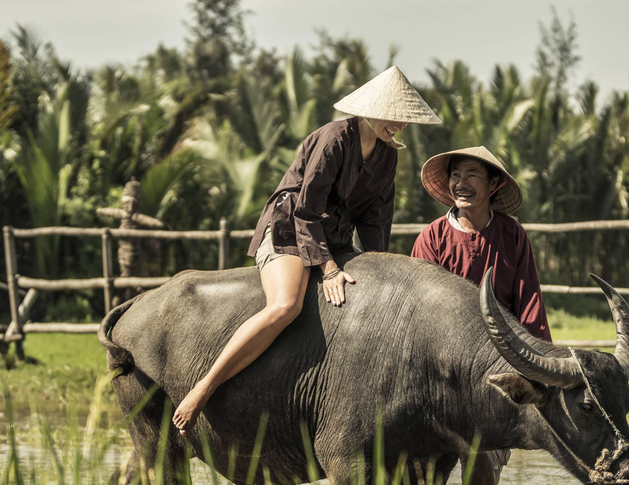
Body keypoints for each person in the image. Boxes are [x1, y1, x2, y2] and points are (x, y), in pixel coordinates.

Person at [172, 66, 441, 436]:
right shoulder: (333, 139)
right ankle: (204, 387)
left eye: (406, 120)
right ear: (370, 109)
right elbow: (306, 211)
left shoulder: (388, 156)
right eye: (394, 117)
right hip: (290, 231)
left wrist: (383, 267)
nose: (400, 126)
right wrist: (328, 268)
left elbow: (376, 220)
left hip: (336, 237)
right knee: (286, 306)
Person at [411, 146, 551, 485]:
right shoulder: (433, 237)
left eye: (472, 174)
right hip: (438, 375)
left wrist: (541, 369)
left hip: (494, 373)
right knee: (422, 479)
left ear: (493, 184)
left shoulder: (512, 236)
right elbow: (417, 315)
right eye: (455, 175)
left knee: (483, 462)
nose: (461, 183)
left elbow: (529, 304)